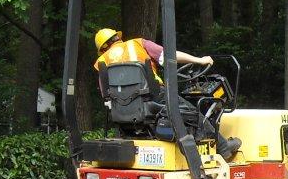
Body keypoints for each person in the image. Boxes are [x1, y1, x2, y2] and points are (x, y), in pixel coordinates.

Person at [93, 28, 241, 161]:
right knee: (192, 113)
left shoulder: (102, 61)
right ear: (117, 38)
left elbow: (106, 94)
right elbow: (169, 56)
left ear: (103, 48)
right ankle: (223, 146)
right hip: (154, 96)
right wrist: (199, 60)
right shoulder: (137, 44)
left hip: (122, 109)